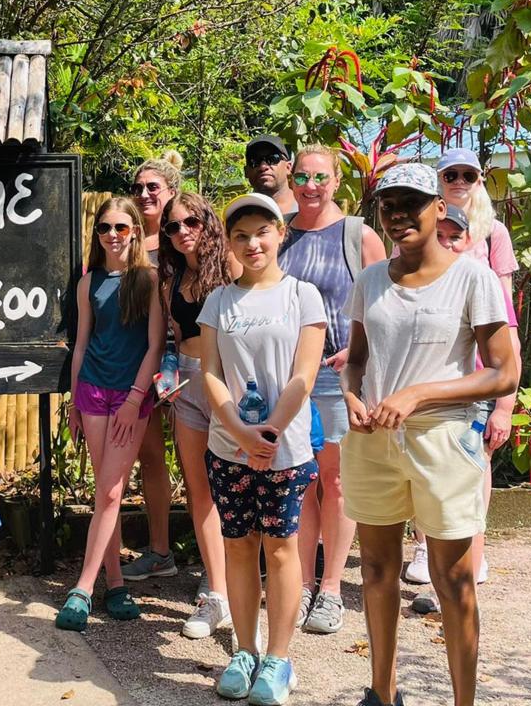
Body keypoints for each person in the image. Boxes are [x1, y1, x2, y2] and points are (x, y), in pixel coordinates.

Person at [342, 163, 517, 706]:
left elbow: (504, 371)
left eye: (411, 204)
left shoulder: (473, 277)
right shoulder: (370, 280)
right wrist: (350, 393)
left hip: (443, 439)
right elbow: (358, 359)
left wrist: (420, 394)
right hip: (374, 438)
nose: (398, 216)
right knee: (376, 569)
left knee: (454, 580)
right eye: (388, 206)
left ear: (439, 208)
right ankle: (382, 691)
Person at [197, 192, 324, 704]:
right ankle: (243, 651)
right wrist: (240, 432)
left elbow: (305, 373)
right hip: (228, 449)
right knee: (239, 546)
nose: (253, 243)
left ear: (280, 234)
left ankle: (278, 658)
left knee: (282, 547)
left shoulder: (302, 295)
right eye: (241, 235)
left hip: (285, 450)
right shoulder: (219, 301)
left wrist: (267, 432)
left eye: (262, 232)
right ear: (229, 242)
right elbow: (210, 372)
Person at [403, 149, 523, 598]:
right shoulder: (418, 230)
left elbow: (504, 321)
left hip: (476, 375)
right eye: (448, 173)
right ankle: (424, 547)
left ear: (479, 179)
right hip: (426, 372)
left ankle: (473, 548)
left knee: (474, 463)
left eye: (467, 174)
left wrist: (505, 403)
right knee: (423, 462)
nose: (458, 180)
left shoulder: (493, 235)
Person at [278, 143, 386, 635]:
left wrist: (359, 353)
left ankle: (331, 589)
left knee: (338, 481)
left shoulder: (358, 235)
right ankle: (300, 585)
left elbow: (385, 306)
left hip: (342, 377)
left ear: (337, 180)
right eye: (302, 176)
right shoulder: (279, 232)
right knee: (301, 480)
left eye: (321, 176)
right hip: (290, 377)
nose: (311, 185)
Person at [56, 197, 164, 631]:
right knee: (107, 493)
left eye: (121, 226)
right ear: (97, 233)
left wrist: (137, 398)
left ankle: (82, 588)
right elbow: (81, 343)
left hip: (130, 397)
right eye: (105, 227)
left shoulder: (150, 280)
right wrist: (74, 402)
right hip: (92, 392)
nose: (113, 235)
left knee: (111, 492)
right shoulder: (88, 283)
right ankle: (115, 583)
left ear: (135, 230)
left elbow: (155, 345)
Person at [154, 193, 239, 640]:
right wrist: (166, 378)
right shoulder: (172, 278)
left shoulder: (231, 267)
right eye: (172, 226)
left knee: (237, 483)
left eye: (191, 222)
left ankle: (239, 585)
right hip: (187, 384)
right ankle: (217, 594)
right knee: (198, 488)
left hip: (229, 385)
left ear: (207, 222)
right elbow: (173, 337)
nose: (182, 231)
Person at [120, 153, 181, 587]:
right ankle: (161, 550)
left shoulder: (183, 239)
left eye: (153, 187)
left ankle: (221, 562)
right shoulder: (125, 243)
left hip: (184, 363)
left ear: (171, 192)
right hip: (138, 364)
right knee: (151, 458)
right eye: (138, 188)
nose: (144, 195)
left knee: (200, 464)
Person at [245, 135, 298, 220]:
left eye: (273, 159)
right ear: (246, 171)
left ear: (288, 167)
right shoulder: (239, 214)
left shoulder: (307, 206)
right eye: (254, 161)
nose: (263, 166)